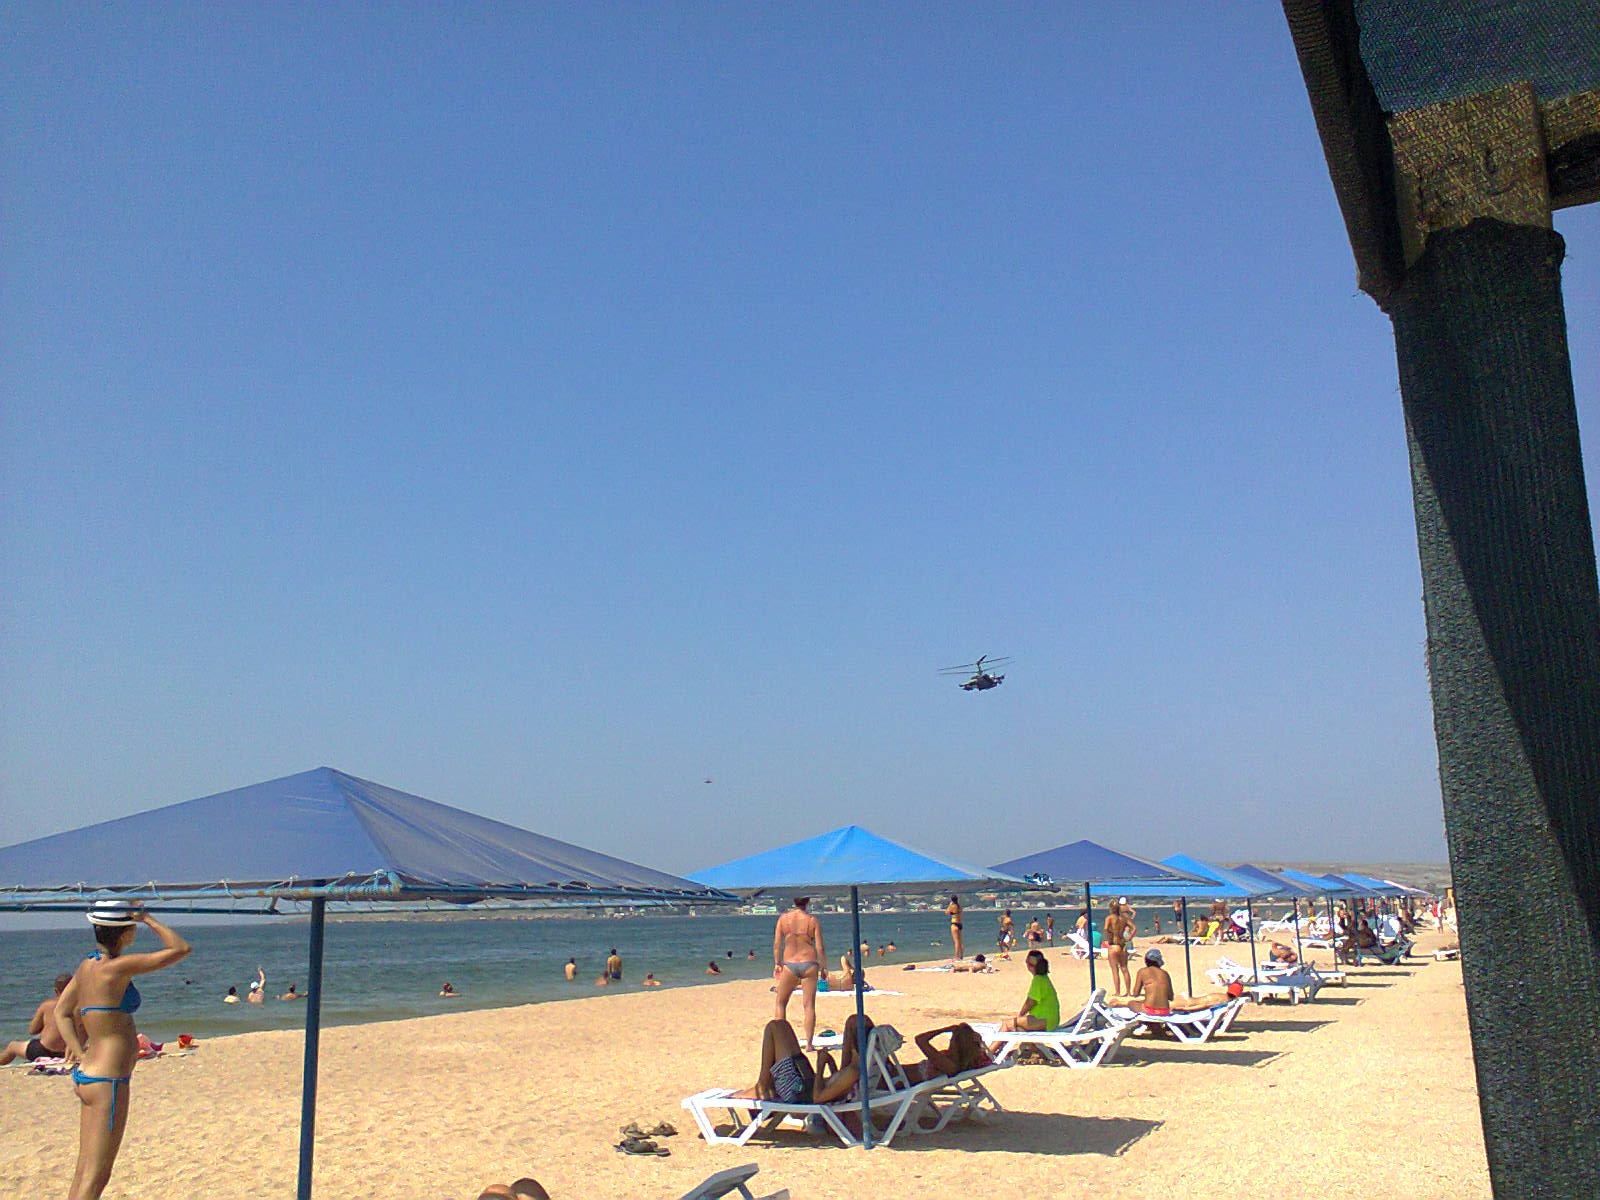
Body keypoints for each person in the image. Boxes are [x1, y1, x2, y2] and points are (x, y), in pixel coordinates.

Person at [56, 902, 190, 1200]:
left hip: (89, 1074)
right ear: (126, 932)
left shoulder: (87, 966)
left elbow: (61, 1012)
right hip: (109, 1080)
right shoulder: (116, 968)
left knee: (83, 1170)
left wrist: (78, 1051)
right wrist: (148, 919)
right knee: (97, 1175)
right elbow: (180, 948)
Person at [737, 1016, 865, 1107]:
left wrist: (820, 1066)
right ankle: (766, 1085)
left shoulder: (853, 1072)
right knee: (782, 1025)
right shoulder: (854, 1066)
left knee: (773, 1027)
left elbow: (817, 1098)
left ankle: (763, 1087)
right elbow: (837, 1089)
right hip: (807, 1083)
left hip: (798, 1093)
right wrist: (830, 1062)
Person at [772, 896, 825, 1050]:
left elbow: (777, 944)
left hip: (790, 964)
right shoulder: (812, 921)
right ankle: (809, 1044)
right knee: (809, 1005)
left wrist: (777, 963)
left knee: (781, 1002)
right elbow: (820, 947)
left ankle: (781, 1042)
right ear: (807, 902)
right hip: (809, 963)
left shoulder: (783, 919)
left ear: (794, 902)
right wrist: (824, 966)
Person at [2, 972, 73, 1065]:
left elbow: (32, 1030)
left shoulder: (47, 1005)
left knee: (12, 1046)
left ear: (56, 990)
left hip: (42, 1051)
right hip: (69, 1053)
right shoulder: (79, 1007)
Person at [901, 1023, 992, 1083]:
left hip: (899, 1080)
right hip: (900, 1073)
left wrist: (944, 1030)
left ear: (957, 1044)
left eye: (952, 1039)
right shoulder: (963, 1060)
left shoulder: (948, 1065)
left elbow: (920, 1039)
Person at [1001, 950, 1058, 1032]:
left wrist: (1020, 1015)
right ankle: (1028, 1042)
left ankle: (993, 1041)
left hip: (1043, 1019)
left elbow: (1030, 1002)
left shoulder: (1038, 980)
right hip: (1052, 1020)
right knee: (1019, 1029)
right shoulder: (1044, 978)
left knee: (1007, 1024)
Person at [1105, 899, 1133, 996]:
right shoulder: (1124, 918)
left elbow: (1106, 929)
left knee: (1115, 970)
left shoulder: (1109, 918)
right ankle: (1128, 992)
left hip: (1114, 945)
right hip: (1122, 945)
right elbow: (1134, 928)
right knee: (1124, 968)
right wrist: (1129, 938)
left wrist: (1109, 939)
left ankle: (1118, 992)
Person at [946, 895, 964, 960]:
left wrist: (949, 905)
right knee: (960, 941)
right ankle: (961, 956)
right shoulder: (959, 907)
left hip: (954, 924)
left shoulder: (952, 906)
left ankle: (956, 957)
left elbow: (947, 912)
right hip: (959, 924)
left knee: (956, 942)